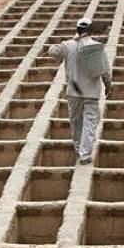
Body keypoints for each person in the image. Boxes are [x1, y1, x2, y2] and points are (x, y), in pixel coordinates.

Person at [49, 18, 112, 165]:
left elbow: (53, 52)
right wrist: (108, 86)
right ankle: (85, 154)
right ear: (90, 30)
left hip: (74, 91)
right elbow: (105, 71)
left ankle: (79, 151)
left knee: (76, 123)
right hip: (91, 92)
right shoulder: (97, 46)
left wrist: (58, 47)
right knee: (90, 122)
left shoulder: (68, 45)